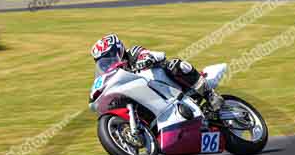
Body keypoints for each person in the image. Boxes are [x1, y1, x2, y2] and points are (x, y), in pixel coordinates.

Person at [90, 34, 224, 110]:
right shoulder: (115, 74)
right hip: (152, 98)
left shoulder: (134, 53)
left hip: (169, 85)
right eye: (103, 61)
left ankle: (209, 95)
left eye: (110, 56)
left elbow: (158, 55)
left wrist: (147, 60)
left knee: (176, 65)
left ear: (119, 50)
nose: (108, 62)